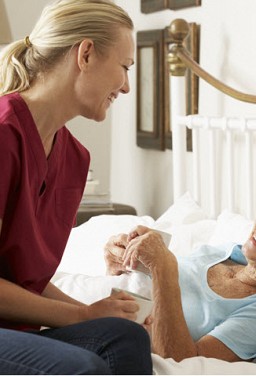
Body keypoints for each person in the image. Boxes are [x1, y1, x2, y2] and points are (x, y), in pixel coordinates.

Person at [0, 0, 152, 374]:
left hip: (14, 332)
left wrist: (99, 316)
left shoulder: (75, 159)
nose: (127, 86)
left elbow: (27, 279)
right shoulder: (4, 135)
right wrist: (80, 313)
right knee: (82, 366)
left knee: (125, 337)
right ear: (85, 53)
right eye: (124, 67)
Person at [104, 183, 256, 363]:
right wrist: (121, 257)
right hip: (96, 316)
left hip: (111, 345)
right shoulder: (223, 251)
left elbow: (184, 363)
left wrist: (164, 267)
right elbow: (135, 280)